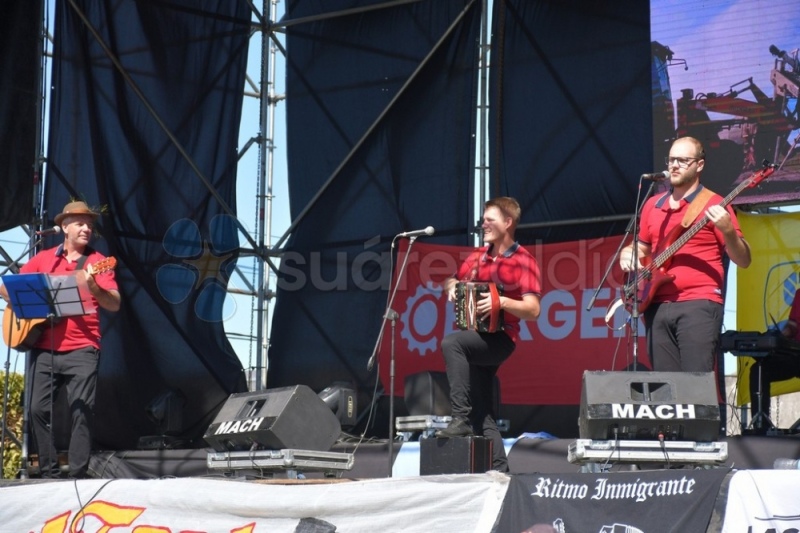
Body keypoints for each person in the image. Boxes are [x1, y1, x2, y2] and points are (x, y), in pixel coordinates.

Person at [0, 200, 120, 478]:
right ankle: (49, 471)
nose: (86, 228)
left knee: (81, 410)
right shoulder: (44, 259)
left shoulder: (98, 263)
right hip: (44, 348)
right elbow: (7, 287)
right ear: (64, 227)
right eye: (80, 223)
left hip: (83, 347)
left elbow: (114, 303)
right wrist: (24, 303)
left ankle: (76, 473)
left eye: (90, 224)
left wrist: (92, 285)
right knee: (35, 409)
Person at [619, 136, 751, 372]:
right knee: (667, 389)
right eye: (671, 160)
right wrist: (628, 253)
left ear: (699, 165)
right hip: (656, 303)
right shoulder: (652, 205)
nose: (674, 165)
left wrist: (729, 232)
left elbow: (744, 260)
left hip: (698, 303)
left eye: (682, 160)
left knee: (695, 386)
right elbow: (643, 248)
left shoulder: (715, 204)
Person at [434, 196, 542, 473]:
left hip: (501, 338)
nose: (483, 224)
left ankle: (460, 418)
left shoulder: (523, 260)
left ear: (508, 222)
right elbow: (450, 278)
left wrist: (502, 302)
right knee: (483, 412)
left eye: (489, 219)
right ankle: (501, 473)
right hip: (477, 336)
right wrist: (451, 285)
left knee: (452, 343)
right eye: (483, 219)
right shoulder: (476, 258)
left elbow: (533, 309)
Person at [748, 289, 800, 431]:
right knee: (759, 369)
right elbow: (793, 326)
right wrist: (783, 333)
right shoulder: (799, 293)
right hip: (796, 355)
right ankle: (761, 425)